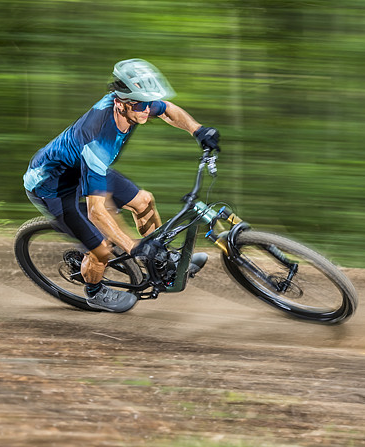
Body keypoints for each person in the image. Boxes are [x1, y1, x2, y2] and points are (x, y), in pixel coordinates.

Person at [23, 59, 221, 313]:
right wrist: (134, 247)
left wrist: (198, 130)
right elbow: (96, 212)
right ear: (119, 103)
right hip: (52, 186)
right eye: (140, 105)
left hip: (82, 170)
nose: (147, 110)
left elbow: (167, 109)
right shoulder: (97, 139)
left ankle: (162, 260)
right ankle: (94, 292)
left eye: (148, 103)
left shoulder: (136, 104)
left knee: (144, 201)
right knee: (102, 246)